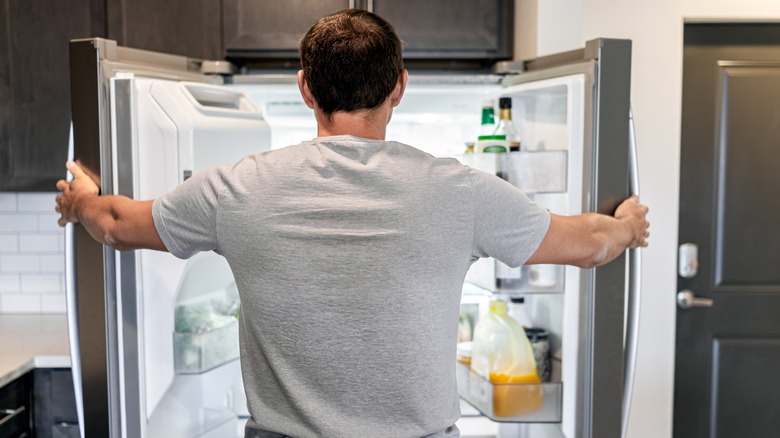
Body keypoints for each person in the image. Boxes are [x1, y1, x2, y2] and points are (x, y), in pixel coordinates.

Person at [55, 9, 649, 438]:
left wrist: (79, 199)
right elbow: (590, 244)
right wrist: (627, 225)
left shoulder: (236, 187)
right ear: (399, 87)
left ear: (306, 89)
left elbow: (113, 223)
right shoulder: (461, 192)